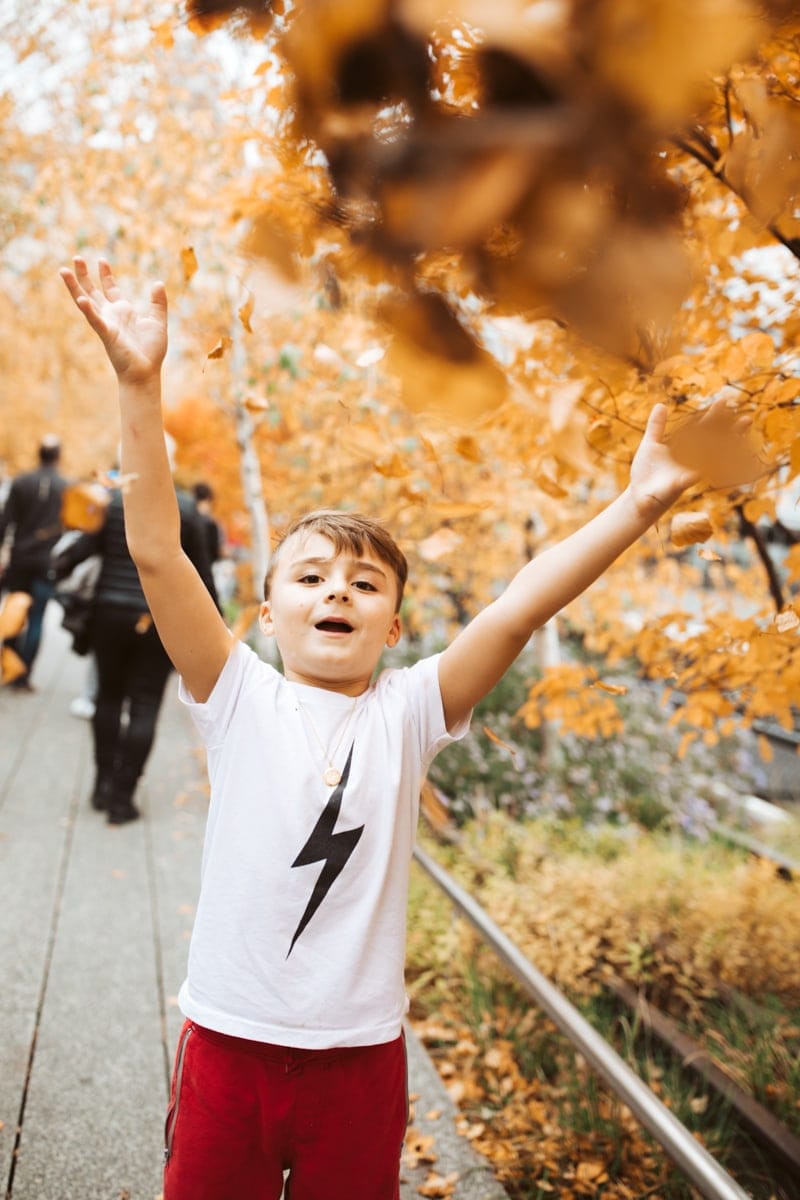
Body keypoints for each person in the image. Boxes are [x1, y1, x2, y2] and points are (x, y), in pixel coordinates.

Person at [59, 256, 754, 1200]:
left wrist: (636, 507)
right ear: (264, 614)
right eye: (308, 577)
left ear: (392, 627)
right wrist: (139, 387)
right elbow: (154, 547)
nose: (335, 589)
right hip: (230, 1045)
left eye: (363, 581)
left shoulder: (412, 711)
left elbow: (514, 612)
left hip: (362, 1062)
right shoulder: (235, 692)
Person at [53, 472, 219, 826]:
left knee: (108, 698)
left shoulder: (114, 502)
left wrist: (59, 574)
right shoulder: (186, 509)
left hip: (108, 614)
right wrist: (217, 629)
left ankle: (101, 785)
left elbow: (81, 548)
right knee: (145, 705)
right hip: (158, 620)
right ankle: (121, 798)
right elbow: (204, 575)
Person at [0, 434, 68, 690]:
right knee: (37, 617)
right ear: (58, 456)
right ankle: (23, 674)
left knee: (13, 613)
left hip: (20, 558)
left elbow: (4, 522)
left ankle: (8, 665)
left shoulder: (21, 482)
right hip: (45, 562)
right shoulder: (65, 486)